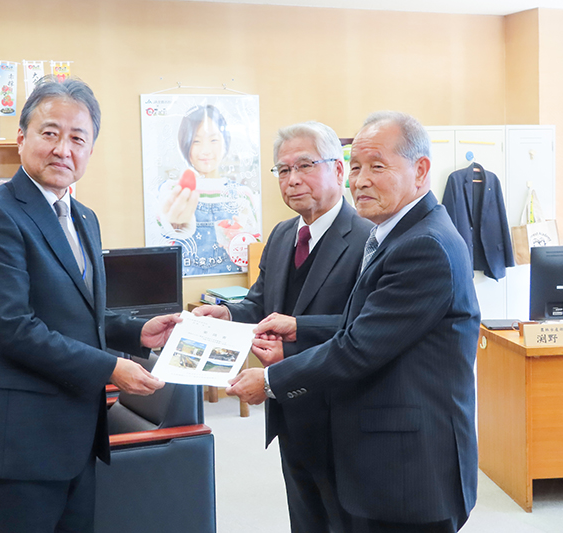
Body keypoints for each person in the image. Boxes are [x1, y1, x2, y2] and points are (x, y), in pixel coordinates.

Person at [227, 111, 480, 532]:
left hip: (409, 466)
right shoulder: (394, 234)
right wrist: (300, 328)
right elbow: (368, 324)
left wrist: (270, 381)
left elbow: (360, 347)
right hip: (371, 447)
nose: (360, 180)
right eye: (357, 167)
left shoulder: (423, 246)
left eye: (377, 167)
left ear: (420, 171)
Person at [0, 76, 179, 533]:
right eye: (50, 133)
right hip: (20, 441)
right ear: (21, 138)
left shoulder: (83, 217)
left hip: (77, 433)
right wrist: (111, 367)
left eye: (78, 138)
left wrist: (135, 330)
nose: (63, 149)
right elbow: (14, 328)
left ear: (90, 150)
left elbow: (80, 311)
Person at [194, 121, 372, 533]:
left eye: (305, 166)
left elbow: (364, 328)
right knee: (305, 519)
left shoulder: (367, 238)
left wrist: (296, 333)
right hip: (288, 409)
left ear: (339, 171)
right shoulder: (281, 235)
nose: (292, 180)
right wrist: (228, 314)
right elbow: (261, 304)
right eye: (283, 170)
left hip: (341, 413)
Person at [156, 104, 261, 276]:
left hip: (231, 286)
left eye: (213, 140)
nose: (205, 151)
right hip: (184, 284)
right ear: (185, 145)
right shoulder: (172, 191)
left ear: (225, 142)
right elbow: (160, 242)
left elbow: (256, 256)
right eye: (196, 141)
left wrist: (240, 240)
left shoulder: (242, 195)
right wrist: (175, 226)